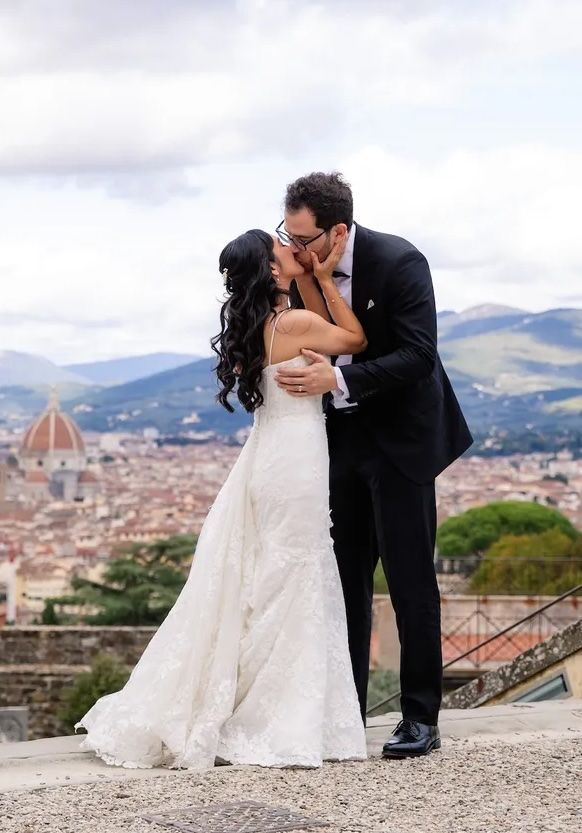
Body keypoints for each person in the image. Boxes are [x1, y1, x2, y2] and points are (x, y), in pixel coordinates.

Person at [75, 229, 368, 769]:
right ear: (271, 270)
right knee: (295, 574)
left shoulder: (256, 326)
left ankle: (261, 703)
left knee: (272, 575)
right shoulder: (297, 322)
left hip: (268, 457)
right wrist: (325, 280)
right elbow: (355, 340)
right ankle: (276, 715)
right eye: (283, 250)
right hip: (298, 460)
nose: (293, 251)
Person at [275, 172, 473, 759]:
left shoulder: (400, 260)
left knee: (412, 582)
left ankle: (420, 718)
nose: (294, 247)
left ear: (338, 231)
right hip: (341, 439)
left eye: (304, 238)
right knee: (344, 580)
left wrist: (336, 377)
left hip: (403, 439)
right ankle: (345, 711)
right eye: (287, 235)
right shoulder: (299, 270)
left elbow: (418, 355)